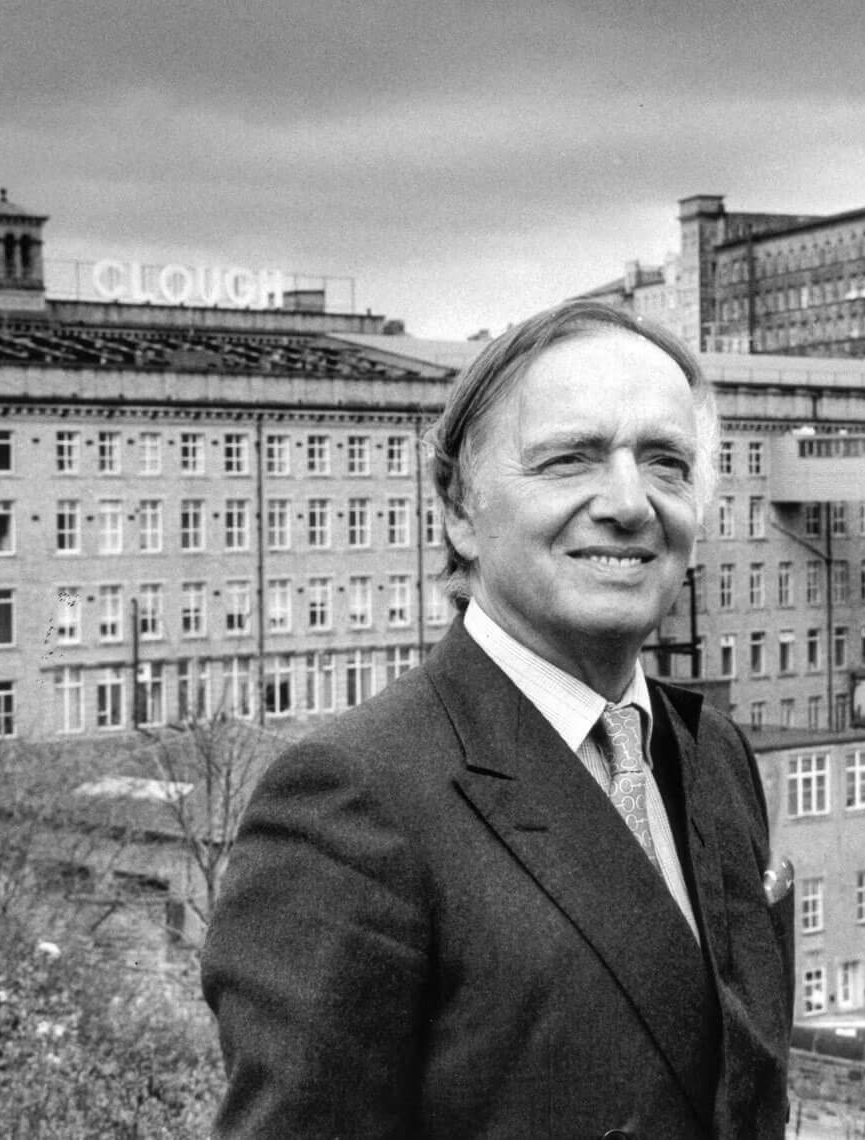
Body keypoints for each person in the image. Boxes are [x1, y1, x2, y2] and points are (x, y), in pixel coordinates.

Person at [202, 299, 793, 1139]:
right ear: (457, 508)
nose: (629, 503)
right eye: (568, 459)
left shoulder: (712, 753)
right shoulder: (350, 800)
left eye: (666, 463)